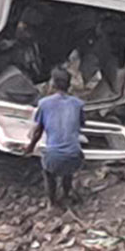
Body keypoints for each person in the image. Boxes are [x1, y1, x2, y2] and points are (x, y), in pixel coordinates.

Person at [24, 68, 85, 207]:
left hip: (54, 158)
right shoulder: (78, 104)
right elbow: (80, 125)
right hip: (74, 157)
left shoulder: (44, 104)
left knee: (49, 172)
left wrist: (30, 147)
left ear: (52, 83)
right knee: (68, 167)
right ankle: (66, 193)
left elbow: (38, 131)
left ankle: (52, 201)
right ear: (69, 85)